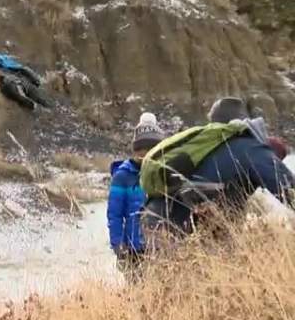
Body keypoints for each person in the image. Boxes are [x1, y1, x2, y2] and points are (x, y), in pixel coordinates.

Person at [143, 96, 294, 241]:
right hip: (175, 232)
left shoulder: (206, 148)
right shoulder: (252, 149)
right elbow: (288, 189)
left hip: (154, 224)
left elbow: (226, 208)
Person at [107, 113, 165, 277]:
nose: (145, 154)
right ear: (136, 150)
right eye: (142, 149)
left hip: (160, 246)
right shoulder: (122, 176)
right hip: (133, 249)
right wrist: (118, 245)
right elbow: (115, 214)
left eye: (151, 149)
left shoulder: (163, 173)